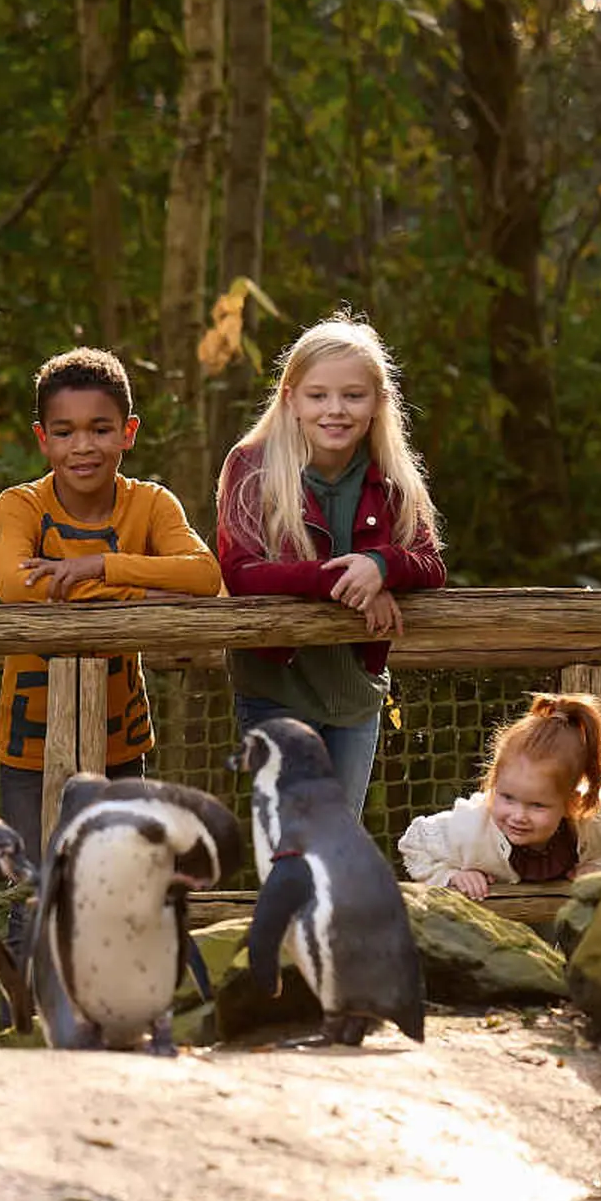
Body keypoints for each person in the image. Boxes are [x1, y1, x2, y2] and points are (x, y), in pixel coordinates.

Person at [211, 317, 447, 822]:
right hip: (276, 688)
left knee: (339, 843)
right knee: (294, 843)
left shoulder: (391, 477)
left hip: (356, 694)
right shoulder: (252, 466)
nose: (335, 410)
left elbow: (430, 564)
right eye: (318, 395)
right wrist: (347, 582)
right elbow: (242, 571)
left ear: (379, 402)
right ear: (291, 398)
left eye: (353, 396)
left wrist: (382, 564)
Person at [0, 346, 223, 845]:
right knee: (34, 890)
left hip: (122, 739)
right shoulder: (22, 505)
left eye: (100, 429)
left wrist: (97, 566)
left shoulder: (152, 503)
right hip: (30, 741)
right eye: (64, 431)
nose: (83, 446)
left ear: (128, 433)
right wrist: (145, 591)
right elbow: (15, 586)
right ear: (42, 440)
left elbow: (204, 576)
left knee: (121, 879)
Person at [398, 691, 601, 902]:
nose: (518, 816)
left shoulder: (597, 822)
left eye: (537, 805)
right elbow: (414, 844)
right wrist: (451, 875)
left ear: (572, 802)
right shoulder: (471, 829)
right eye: (507, 797)